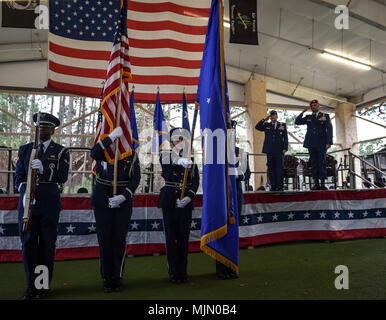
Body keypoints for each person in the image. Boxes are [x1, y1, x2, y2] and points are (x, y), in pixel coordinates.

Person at [15, 112, 69, 300]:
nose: (41, 131)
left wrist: (44, 171)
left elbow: (62, 177)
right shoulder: (24, 150)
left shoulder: (61, 151)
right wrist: (26, 192)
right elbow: (18, 178)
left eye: (45, 127)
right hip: (28, 204)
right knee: (29, 244)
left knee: (46, 245)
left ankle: (42, 285)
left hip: (49, 204)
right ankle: (31, 285)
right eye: (39, 127)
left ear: (52, 131)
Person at [90, 126, 141, 293]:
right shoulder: (103, 150)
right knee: (105, 240)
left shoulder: (130, 154)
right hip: (102, 199)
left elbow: (136, 178)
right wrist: (110, 138)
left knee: (119, 240)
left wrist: (124, 196)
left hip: (122, 200)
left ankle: (117, 276)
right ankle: (106, 278)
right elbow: (93, 153)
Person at [158, 127, 199, 284]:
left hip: (185, 202)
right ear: (171, 141)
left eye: (182, 139)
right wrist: (180, 161)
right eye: (176, 139)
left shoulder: (191, 158)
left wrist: (189, 197)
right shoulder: (166, 154)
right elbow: (167, 171)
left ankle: (183, 271)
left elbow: (195, 181)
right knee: (171, 237)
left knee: (183, 238)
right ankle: (173, 272)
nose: (179, 141)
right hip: (170, 200)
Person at [215, 120, 250, 280]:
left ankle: (232, 266)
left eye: (232, 133)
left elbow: (247, 174)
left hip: (236, 194)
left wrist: (237, 175)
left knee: (234, 231)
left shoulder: (240, 152)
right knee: (221, 231)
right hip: (222, 196)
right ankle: (221, 267)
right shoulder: (216, 153)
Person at [295, 100, 333, 190]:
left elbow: (329, 129)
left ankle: (323, 184)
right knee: (314, 163)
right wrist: (303, 112)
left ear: (318, 106)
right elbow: (297, 122)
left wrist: (329, 142)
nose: (313, 107)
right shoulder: (308, 117)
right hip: (311, 143)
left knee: (322, 162)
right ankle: (316, 183)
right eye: (311, 106)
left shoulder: (325, 116)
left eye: (315, 105)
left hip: (321, 143)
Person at [255, 110, 288, 191]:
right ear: (270, 117)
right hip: (269, 150)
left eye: (274, 115)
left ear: (277, 116)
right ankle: (273, 186)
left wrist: (285, 147)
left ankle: (279, 186)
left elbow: (285, 137)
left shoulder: (282, 125)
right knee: (271, 168)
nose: (273, 116)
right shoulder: (266, 125)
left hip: (279, 150)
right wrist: (264, 120)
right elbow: (257, 127)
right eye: (271, 115)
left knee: (279, 168)